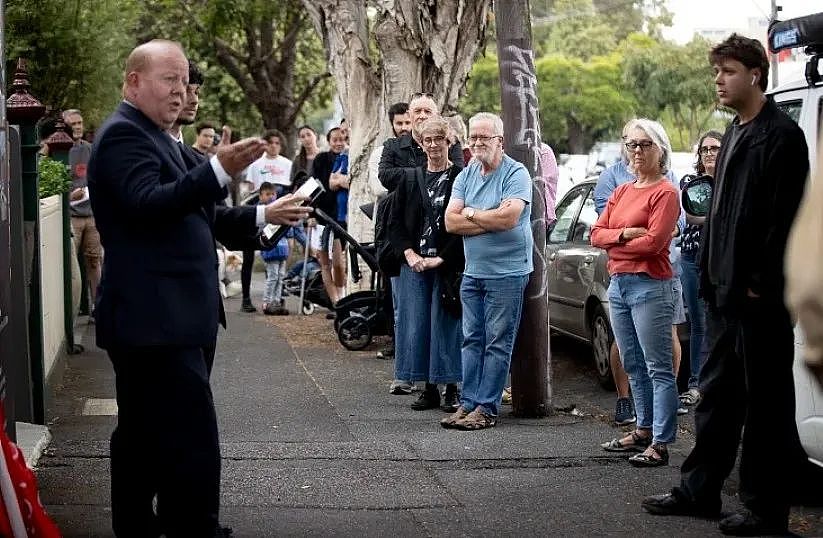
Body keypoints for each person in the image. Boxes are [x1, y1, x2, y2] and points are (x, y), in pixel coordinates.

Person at [87, 40, 311, 537]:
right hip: (153, 320)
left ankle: (153, 524)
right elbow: (150, 204)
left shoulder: (162, 138)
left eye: (184, 80)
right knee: (186, 435)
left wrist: (263, 214)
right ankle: (192, 527)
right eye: (170, 79)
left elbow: (202, 214)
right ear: (133, 81)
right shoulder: (125, 136)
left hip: (174, 318)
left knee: (148, 436)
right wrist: (217, 169)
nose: (180, 90)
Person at [641, 34, 809, 536]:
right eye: (716, 71)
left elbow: (786, 216)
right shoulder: (735, 131)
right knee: (717, 395)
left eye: (728, 71)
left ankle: (764, 508)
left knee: (766, 406)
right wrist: (715, 280)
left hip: (759, 296)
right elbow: (721, 213)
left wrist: (760, 282)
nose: (718, 80)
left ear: (755, 74)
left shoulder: (780, 135)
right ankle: (700, 489)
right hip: (723, 291)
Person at [591, 119, 681, 467]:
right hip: (619, 285)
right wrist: (627, 234)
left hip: (650, 286)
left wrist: (617, 241)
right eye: (632, 145)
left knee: (658, 366)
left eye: (645, 144)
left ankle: (661, 441)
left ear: (661, 149)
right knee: (632, 362)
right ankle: (643, 429)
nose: (638, 151)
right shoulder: (622, 191)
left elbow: (656, 243)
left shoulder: (666, 192)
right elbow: (596, 234)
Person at [442, 112, 533, 431]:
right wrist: (486, 218)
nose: (477, 142)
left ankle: (487, 407)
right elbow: (450, 223)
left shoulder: (516, 173)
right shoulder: (466, 174)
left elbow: (508, 219)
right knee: (471, 339)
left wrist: (470, 214)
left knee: (497, 341)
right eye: (473, 137)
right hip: (474, 272)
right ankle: (468, 403)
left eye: (484, 137)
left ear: (500, 141)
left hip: (507, 273)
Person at [379, 93, 464, 394]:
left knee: (446, 325)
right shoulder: (410, 179)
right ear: (421, 142)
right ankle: (427, 389)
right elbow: (395, 223)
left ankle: (451, 388)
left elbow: (462, 225)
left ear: (448, 142)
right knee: (417, 324)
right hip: (414, 262)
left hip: (446, 263)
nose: (433, 145)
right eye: (427, 140)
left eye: (438, 140)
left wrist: (443, 258)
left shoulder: (460, 178)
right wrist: (409, 253)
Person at [677, 131, 722, 408]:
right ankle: (696, 382)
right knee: (698, 322)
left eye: (714, 148)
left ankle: (718, 381)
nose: (708, 153)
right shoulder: (690, 182)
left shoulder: (731, 181)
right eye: (704, 149)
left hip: (721, 259)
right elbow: (692, 215)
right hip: (693, 257)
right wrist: (721, 216)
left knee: (719, 322)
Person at [64, 109, 103, 317]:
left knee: (94, 261)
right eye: (73, 124)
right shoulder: (57, 149)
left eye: (79, 123)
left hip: (92, 214)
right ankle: (75, 310)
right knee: (70, 268)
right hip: (71, 215)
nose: (77, 127)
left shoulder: (91, 149)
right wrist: (70, 196)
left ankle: (99, 307)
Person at [311, 126, 348, 307]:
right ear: (328, 141)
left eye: (342, 139)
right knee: (325, 262)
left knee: (339, 262)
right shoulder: (321, 159)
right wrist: (312, 213)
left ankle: (341, 295)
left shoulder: (348, 157)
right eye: (335, 139)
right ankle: (335, 301)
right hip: (323, 215)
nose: (338, 143)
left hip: (342, 217)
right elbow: (314, 187)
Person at [258, 182, 290, 316]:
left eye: (273, 194)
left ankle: (276, 302)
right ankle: (267, 302)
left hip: (282, 249)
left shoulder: (280, 210)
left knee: (280, 277)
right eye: (267, 194)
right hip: (271, 250)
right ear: (261, 196)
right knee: (272, 277)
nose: (271, 197)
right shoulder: (262, 213)